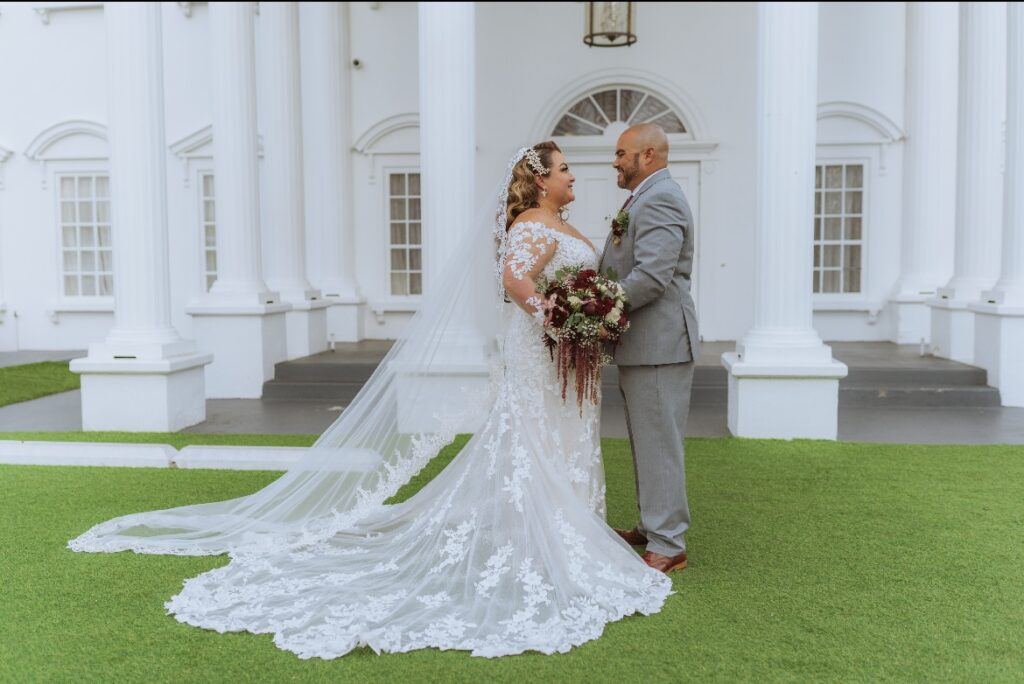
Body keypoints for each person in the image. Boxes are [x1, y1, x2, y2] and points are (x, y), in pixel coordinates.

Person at [68, 143, 672, 660]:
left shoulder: (564, 224)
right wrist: (559, 320)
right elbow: (516, 284)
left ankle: (571, 526)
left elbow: (577, 281)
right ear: (540, 178)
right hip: (542, 350)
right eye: (564, 168)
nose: (573, 176)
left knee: (567, 435)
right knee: (534, 437)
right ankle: (542, 536)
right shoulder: (530, 227)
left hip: (569, 357)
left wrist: (583, 320)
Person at [599, 123, 699, 574]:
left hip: (659, 343)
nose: (616, 161)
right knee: (647, 439)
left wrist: (596, 308)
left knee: (659, 442)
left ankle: (669, 543)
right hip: (643, 343)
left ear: (649, 156)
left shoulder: (660, 197)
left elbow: (652, 278)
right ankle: (652, 524)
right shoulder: (644, 195)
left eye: (622, 153)